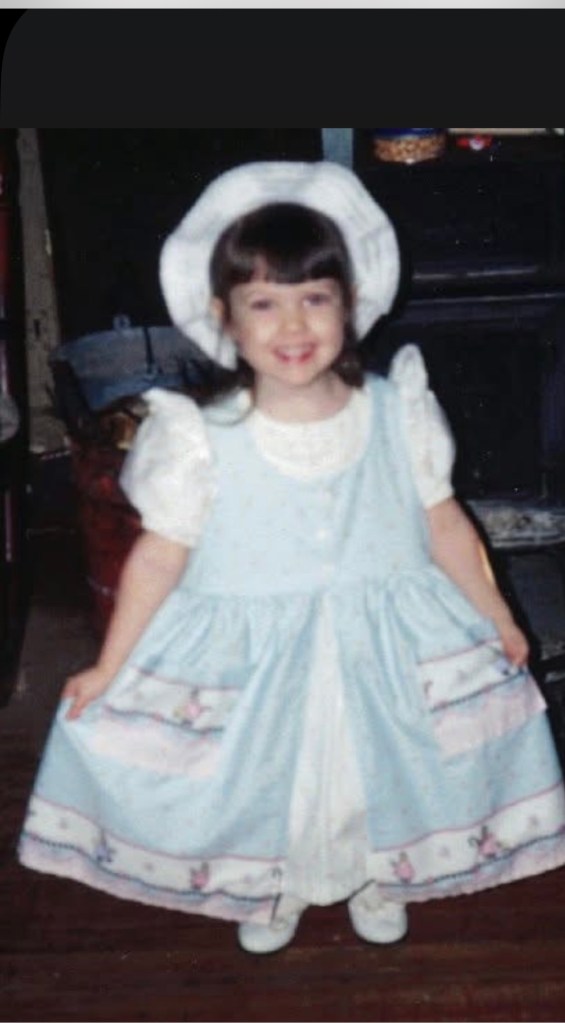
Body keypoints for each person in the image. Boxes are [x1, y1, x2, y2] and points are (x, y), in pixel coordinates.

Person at [18, 161, 565, 955]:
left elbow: (445, 525)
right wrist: (111, 664)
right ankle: (270, 879)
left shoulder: (396, 412)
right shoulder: (200, 436)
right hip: (256, 652)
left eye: (314, 298)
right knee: (272, 770)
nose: (292, 326)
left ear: (350, 303)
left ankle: (374, 870)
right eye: (263, 304)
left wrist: (498, 617)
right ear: (224, 318)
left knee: (372, 762)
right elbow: (158, 558)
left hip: (381, 640)